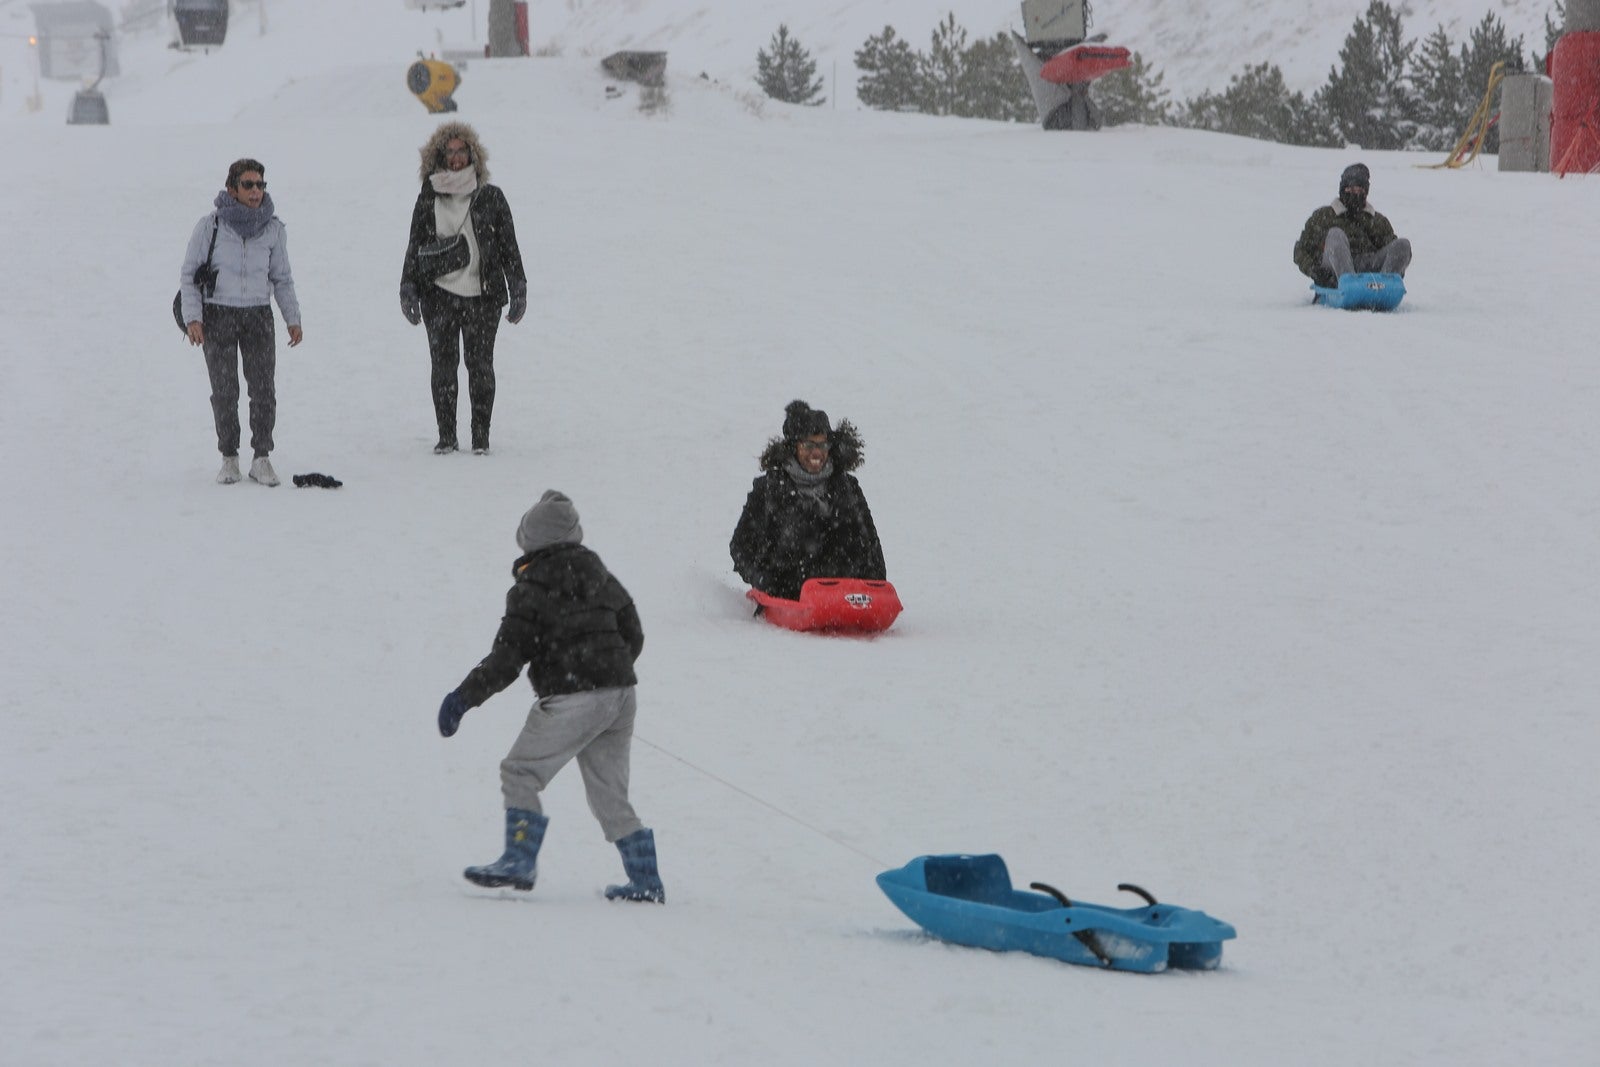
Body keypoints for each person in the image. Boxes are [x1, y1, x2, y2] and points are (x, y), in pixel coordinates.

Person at [436, 490, 663, 903]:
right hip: (621, 695)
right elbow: (634, 633)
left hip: (574, 697)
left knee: (521, 771)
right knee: (609, 793)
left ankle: (519, 860)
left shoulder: (530, 586)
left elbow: (506, 661)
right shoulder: (600, 574)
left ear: (529, 539)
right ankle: (646, 880)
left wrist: (462, 698)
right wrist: (609, 675)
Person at [399, 122, 527, 456]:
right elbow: (414, 245)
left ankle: (481, 438)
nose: (456, 158)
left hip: (483, 297)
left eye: (461, 151)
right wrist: (407, 288)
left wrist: (518, 287)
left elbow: (508, 246)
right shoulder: (429, 197)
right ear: (438, 156)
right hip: (437, 296)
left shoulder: (491, 196)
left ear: (472, 154)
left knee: (480, 366)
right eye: (449, 151)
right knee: (442, 367)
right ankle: (446, 437)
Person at [179, 158, 303, 486]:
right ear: (232, 189)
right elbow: (190, 274)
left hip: (259, 314)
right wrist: (193, 317)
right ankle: (229, 457)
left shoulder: (273, 229)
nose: (255, 191)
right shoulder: (211, 225)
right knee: (224, 390)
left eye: (260, 185)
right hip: (219, 313)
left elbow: (282, 278)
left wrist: (293, 318)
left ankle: (261, 457)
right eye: (248, 185)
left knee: (263, 388)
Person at [730, 399, 887, 602]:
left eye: (822, 444)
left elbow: (870, 542)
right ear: (793, 447)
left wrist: (876, 587)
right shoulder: (770, 488)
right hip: (789, 594)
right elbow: (741, 545)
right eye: (808, 445)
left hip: (844, 594)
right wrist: (762, 580)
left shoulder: (846, 487)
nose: (816, 452)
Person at [1293, 162, 1412, 289]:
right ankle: (1348, 284)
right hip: (1333, 270)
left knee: (1403, 245)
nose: (1354, 194)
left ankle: (1385, 285)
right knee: (1335, 234)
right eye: (1350, 189)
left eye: (1359, 190)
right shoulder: (1324, 216)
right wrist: (1315, 271)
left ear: (1365, 192)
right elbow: (1301, 250)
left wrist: (1396, 268)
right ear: (1342, 189)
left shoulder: (1376, 220)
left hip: (1368, 267)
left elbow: (1393, 251)